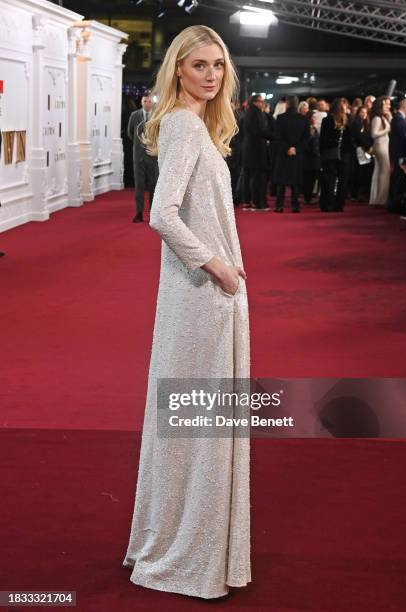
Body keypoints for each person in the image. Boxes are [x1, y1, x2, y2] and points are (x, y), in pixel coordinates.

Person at [122, 25, 251, 599]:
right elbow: (163, 214)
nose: (210, 75)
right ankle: (185, 552)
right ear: (178, 68)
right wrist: (215, 265)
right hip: (199, 294)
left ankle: (189, 543)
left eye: (217, 66)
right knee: (198, 421)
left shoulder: (198, 125)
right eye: (199, 65)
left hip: (203, 294)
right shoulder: (179, 123)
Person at [273, 95, 309, 212]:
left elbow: (277, 137)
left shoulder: (280, 118)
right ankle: (295, 206)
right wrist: (295, 148)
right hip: (297, 154)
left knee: (281, 181)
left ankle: (279, 206)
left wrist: (287, 148)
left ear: (287, 104)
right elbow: (306, 137)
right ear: (297, 104)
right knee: (295, 181)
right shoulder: (303, 119)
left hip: (283, 154)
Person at [127, 91, 159, 222]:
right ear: (141, 102)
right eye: (144, 101)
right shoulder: (134, 115)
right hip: (138, 157)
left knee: (153, 185)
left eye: (149, 101)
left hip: (153, 156)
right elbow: (130, 133)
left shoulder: (158, 116)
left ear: (152, 102)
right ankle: (139, 213)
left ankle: (153, 213)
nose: (147, 103)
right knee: (139, 186)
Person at [319, 98, 353, 212]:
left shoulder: (348, 121)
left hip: (343, 155)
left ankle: (339, 204)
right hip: (330, 154)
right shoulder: (328, 120)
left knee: (342, 181)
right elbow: (323, 139)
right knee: (329, 181)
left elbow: (350, 140)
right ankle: (328, 204)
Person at [241, 93, 271, 210]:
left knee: (248, 176)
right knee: (257, 177)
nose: (262, 103)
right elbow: (260, 131)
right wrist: (274, 137)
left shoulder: (247, 113)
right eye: (261, 101)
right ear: (255, 102)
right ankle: (257, 202)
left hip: (248, 148)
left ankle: (247, 202)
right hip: (257, 150)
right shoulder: (257, 113)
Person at [369, 96, 392, 206]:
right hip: (381, 146)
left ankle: (376, 199)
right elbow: (374, 134)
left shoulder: (382, 117)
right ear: (380, 106)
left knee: (379, 172)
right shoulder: (377, 118)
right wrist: (387, 129)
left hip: (382, 145)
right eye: (386, 104)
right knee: (384, 172)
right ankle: (381, 200)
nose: (389, 106)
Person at [388, 98, 406, 213]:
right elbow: (404, 138)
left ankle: (395, 205)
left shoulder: (399, 119)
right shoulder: (399, 120)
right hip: (401, 154)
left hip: (398, 154)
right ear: (405, 107)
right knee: (398, 180)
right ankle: (394, 205)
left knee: (398, 180)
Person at [350, 105, 374, 201]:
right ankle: (355, 194)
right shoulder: (356, 123)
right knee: (358, 172)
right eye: (362, 112)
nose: (364, 114)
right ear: (358, 113)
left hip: (366, 150)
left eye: (365, 112)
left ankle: (361, 193)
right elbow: (358, 137)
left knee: (365, 172)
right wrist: (368, 147)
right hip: (360, 150)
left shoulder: (366, 123)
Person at [303, 110, 320, 204]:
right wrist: (314, 152)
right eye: (313, 117)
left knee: (312, 178)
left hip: (314, 157)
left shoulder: (314, 128)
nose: (315, 119)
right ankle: (307, 198)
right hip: (309, 157)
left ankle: (308, 197)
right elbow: (305, 143)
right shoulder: (306, 128)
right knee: (308, 179)